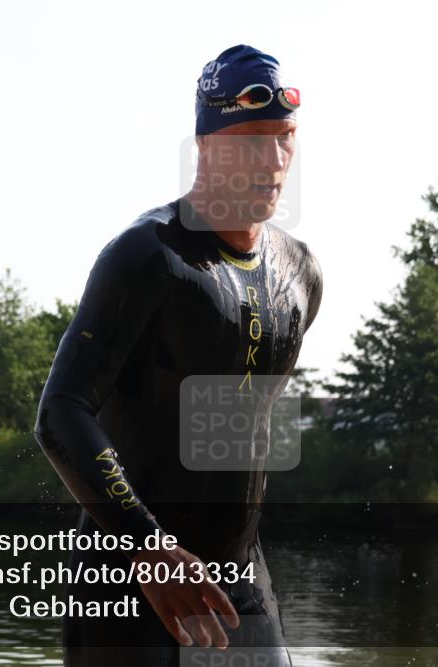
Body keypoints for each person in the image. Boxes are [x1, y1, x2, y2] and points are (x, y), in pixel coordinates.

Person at [34, 44, 322, 666]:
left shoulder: (300, 274)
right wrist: (149, 547)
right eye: (252, 139)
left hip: (240, 583)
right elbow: (61, 411)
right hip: (129, 580)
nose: (273, 160)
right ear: (207, 145)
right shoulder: (149, 255)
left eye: (286, 138)